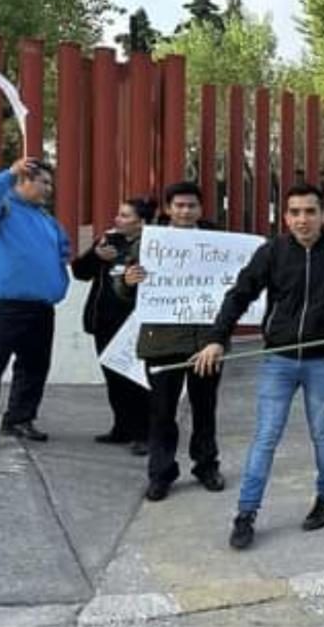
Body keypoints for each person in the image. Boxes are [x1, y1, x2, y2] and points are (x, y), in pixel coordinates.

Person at [191, 183, 324, 550]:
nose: (302, 219)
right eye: (295, 212)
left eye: (310, 211)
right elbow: (239, 294)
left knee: (323, 432)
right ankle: (246, 513)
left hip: (323, 359)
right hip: (278, 360)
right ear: (285, 217)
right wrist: (216, 337)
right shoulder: (272, 252)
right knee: (266, 436)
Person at [118, 181, 225, 501]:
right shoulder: (148, 243)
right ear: (167, 209)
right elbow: (123, 290)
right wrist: (127, 282)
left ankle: (206, 465)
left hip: (205, 343)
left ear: (201, 208)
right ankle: (161, 473)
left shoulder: (218, 243)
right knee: (162, 412)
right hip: (161, 343)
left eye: (191, 205)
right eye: (178, 205)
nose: (185, 211)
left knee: (205, 408)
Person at [0, 158, 69, 457]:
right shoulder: (0, 208)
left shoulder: (47, 220)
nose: (49, 188)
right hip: (3, 305)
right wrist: (7, 175)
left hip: (40, 307)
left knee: (34, 367)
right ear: (23, 180)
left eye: (50, 182)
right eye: (43, 182)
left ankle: (20, 419)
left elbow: (62, 252)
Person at [71, 197, 157, 455]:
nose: (117, 219)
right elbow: (80, 272)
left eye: (125, 215)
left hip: (135, 325)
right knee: (113, 378)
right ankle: (122, 427)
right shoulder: (107, 241)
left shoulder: (153, 246)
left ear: (141, 222)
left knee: (137, 379)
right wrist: (95, 256)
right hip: (104, 321)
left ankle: (145, 433)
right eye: (118, 214)